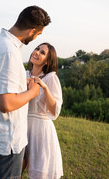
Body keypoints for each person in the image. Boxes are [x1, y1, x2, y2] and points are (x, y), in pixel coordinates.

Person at [0, 6, 51, 179]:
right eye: (38, 35)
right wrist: (33, 92)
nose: (35, 39)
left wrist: (19, 83)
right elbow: (6, 103)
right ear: (32, 31)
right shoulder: (9, 52)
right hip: (7, 139)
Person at [22, 42, 63, 179]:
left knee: (39, 174)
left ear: (47, 61)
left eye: (42, 52)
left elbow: (54, 111)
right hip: (22, 128)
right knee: (15, 173)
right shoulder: (24, 74)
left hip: (42, 132)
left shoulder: (51, 78)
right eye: (37, 48)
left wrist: (45, 88)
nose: (37, 52)